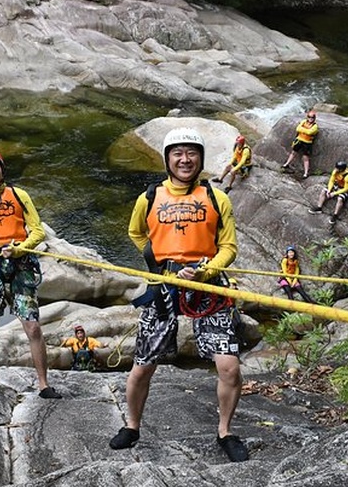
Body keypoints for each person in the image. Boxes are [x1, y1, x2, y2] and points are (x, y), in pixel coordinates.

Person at [109, 127, 248, 462]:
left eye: (191, 153)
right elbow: (135, 231)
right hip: (164, 284)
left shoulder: (217, 198)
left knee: (229, 368)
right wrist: (158, 260)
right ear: (167, 158)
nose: (185, 160)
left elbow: (229, 246)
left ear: (200, 158)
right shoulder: (150, 197)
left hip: (207, 286)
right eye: (178, 153)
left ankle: (225, 431)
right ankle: (132, 425)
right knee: (143, 365)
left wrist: (206, 271)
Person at [0, 148, 62, 399]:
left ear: (2, 169)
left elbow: (38, 231)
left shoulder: (19, 195)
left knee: (33, 327)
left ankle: (43, 385)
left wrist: (20, 249)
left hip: (20, 263)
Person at [308, 160, 348, 225]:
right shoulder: (335, 171)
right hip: (337, 185)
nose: (335, 169)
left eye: (337, 168)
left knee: (340, 199)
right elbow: (331, 181)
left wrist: (334, 193)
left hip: (344, 188)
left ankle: (335, 215)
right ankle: (319, 208)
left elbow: (346, 188)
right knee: (323, 191)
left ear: (341, 169)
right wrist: (329, 190)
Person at [281, 110, 319, 178]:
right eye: (309, 117)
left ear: (314, 118)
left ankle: (306, 173)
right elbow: (298, 128)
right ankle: (286, 164)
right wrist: (305, 130)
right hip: (299, 140)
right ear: (307, 117)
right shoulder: (304, 121)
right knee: (293, 152)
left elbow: (310, 132)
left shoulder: (315, 126)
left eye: (312, 118)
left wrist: (303, 130)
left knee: (305, 157)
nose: (310, 119)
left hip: (307, 143)